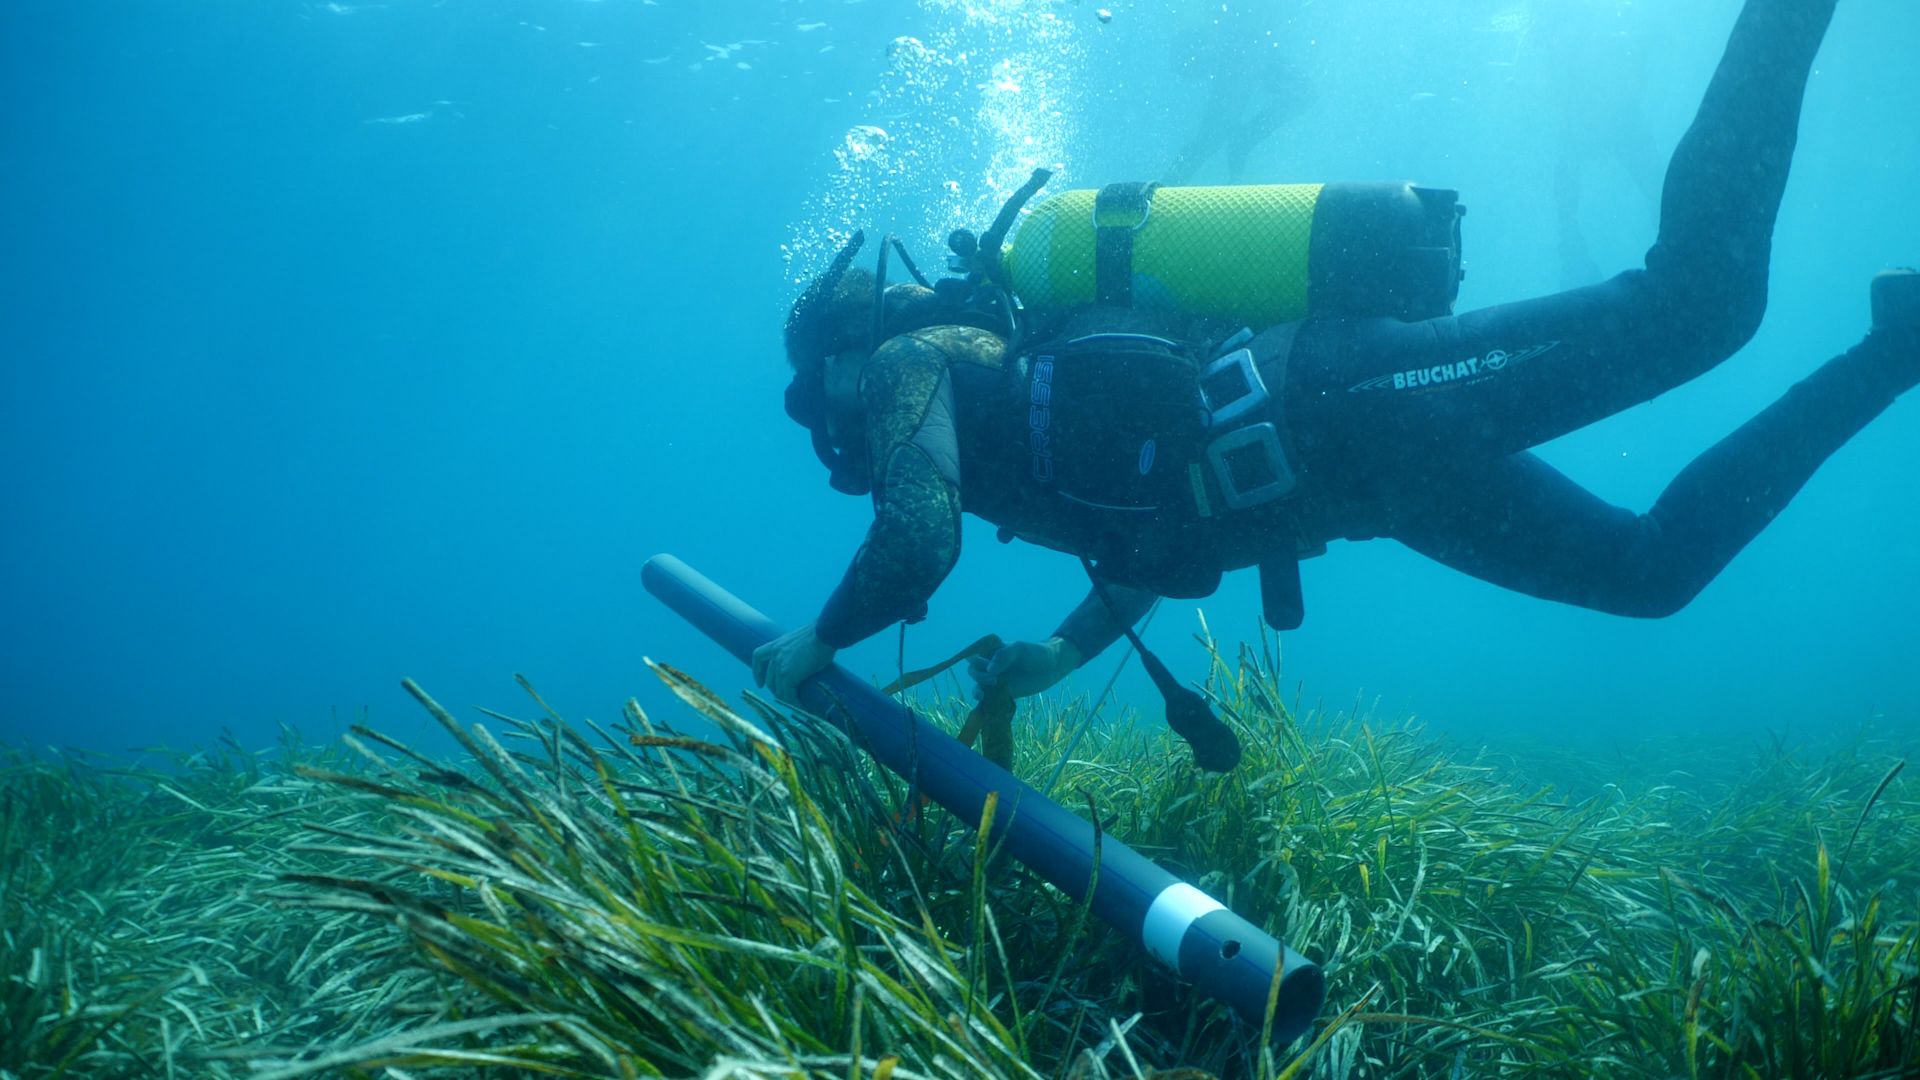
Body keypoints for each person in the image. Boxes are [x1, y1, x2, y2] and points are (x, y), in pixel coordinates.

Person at [755, 0, 1917, 771]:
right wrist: (1060, 657)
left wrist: (815, 641)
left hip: (1347, 400)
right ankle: (1895, 348)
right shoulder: (1012, 434)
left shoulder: (923, 365)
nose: (830, 430)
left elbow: (915, 548)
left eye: (824, 396)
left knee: (1693, 307)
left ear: (855, 353)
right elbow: (1160, 533)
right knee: (1650, 572)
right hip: (1368, 486)